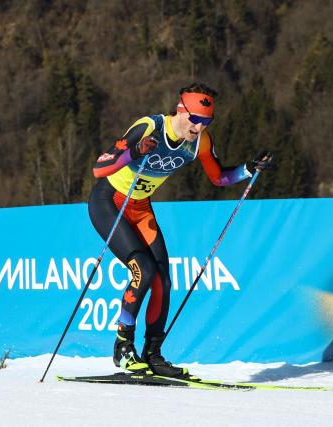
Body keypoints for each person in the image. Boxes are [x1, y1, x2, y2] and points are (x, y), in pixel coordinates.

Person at [88, 83, 272, 378]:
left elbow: (220, 178)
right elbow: (100, 168)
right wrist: (134, 151)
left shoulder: (200, 142)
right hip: (110, 203)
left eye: (206, 122)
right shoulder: (149, 127)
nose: (198, 127)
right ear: (181, 110)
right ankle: (123, 348)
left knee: (163, 280)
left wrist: (249, 168)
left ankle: (153, 354)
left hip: (140, 207)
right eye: (195, 119)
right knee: (143, 271)